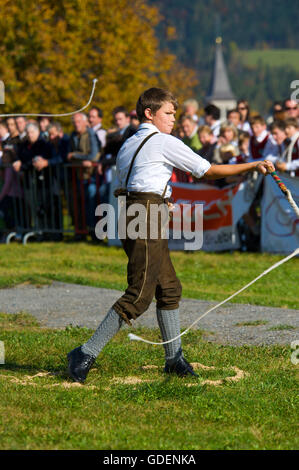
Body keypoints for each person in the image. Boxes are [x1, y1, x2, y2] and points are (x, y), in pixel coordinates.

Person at [67, 87, 275, 384]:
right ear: (149, 113)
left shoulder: (129, 142)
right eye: (168, 113)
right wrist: (253, 164)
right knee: (139, 295)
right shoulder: (162, 141)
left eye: (175, 114)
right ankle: (85, 352)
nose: (173, 119)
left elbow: (138, 181)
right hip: (145, 215)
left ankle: (174, 358)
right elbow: (208, 171)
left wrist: (161, 199)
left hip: (132, 211)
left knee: (168, 287)